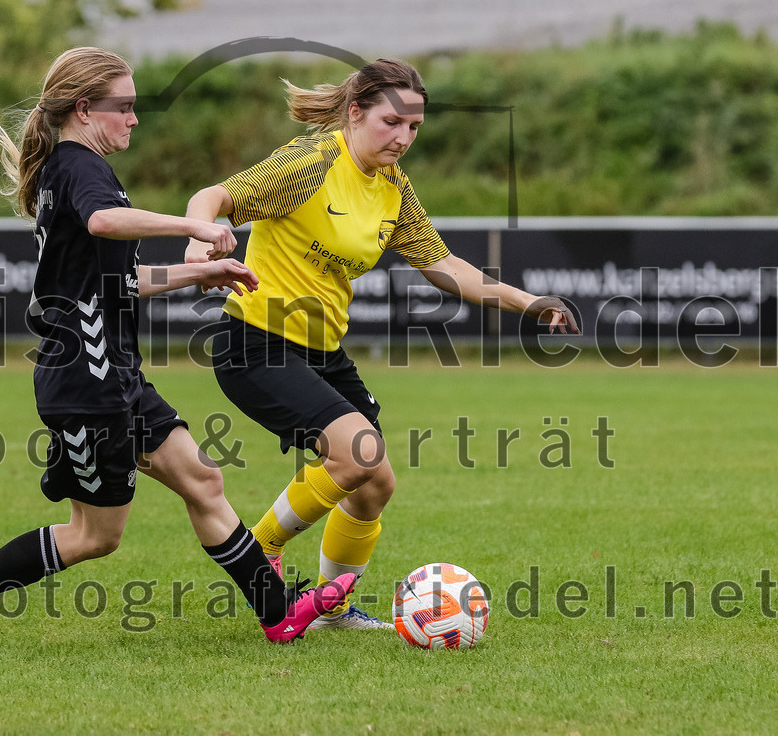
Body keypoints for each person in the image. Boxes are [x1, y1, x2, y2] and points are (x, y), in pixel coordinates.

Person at [0, 47, 355, 653]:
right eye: (126, 107)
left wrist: (200, 275)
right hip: (86, 378)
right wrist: (191, 225)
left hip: (114, 374)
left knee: (203, 481)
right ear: (86, 109)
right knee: (95, 535)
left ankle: (277, 613)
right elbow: (102, 225)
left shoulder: (76, 170)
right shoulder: (79, 167)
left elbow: (116, 281)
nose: (134, 120)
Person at [183, 58, 578, 631]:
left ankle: (332, 609)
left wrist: (527, 302)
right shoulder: (309, 165)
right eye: (392, 122)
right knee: (357, 453)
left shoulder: (393, 187)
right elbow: (211, 196)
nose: (403, 138)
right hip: (256, 342)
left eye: (413, 128)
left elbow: (445, 267)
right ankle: (260, 550)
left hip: (320, 350)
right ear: (355, 112)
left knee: (376, 482)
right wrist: (200, 242)